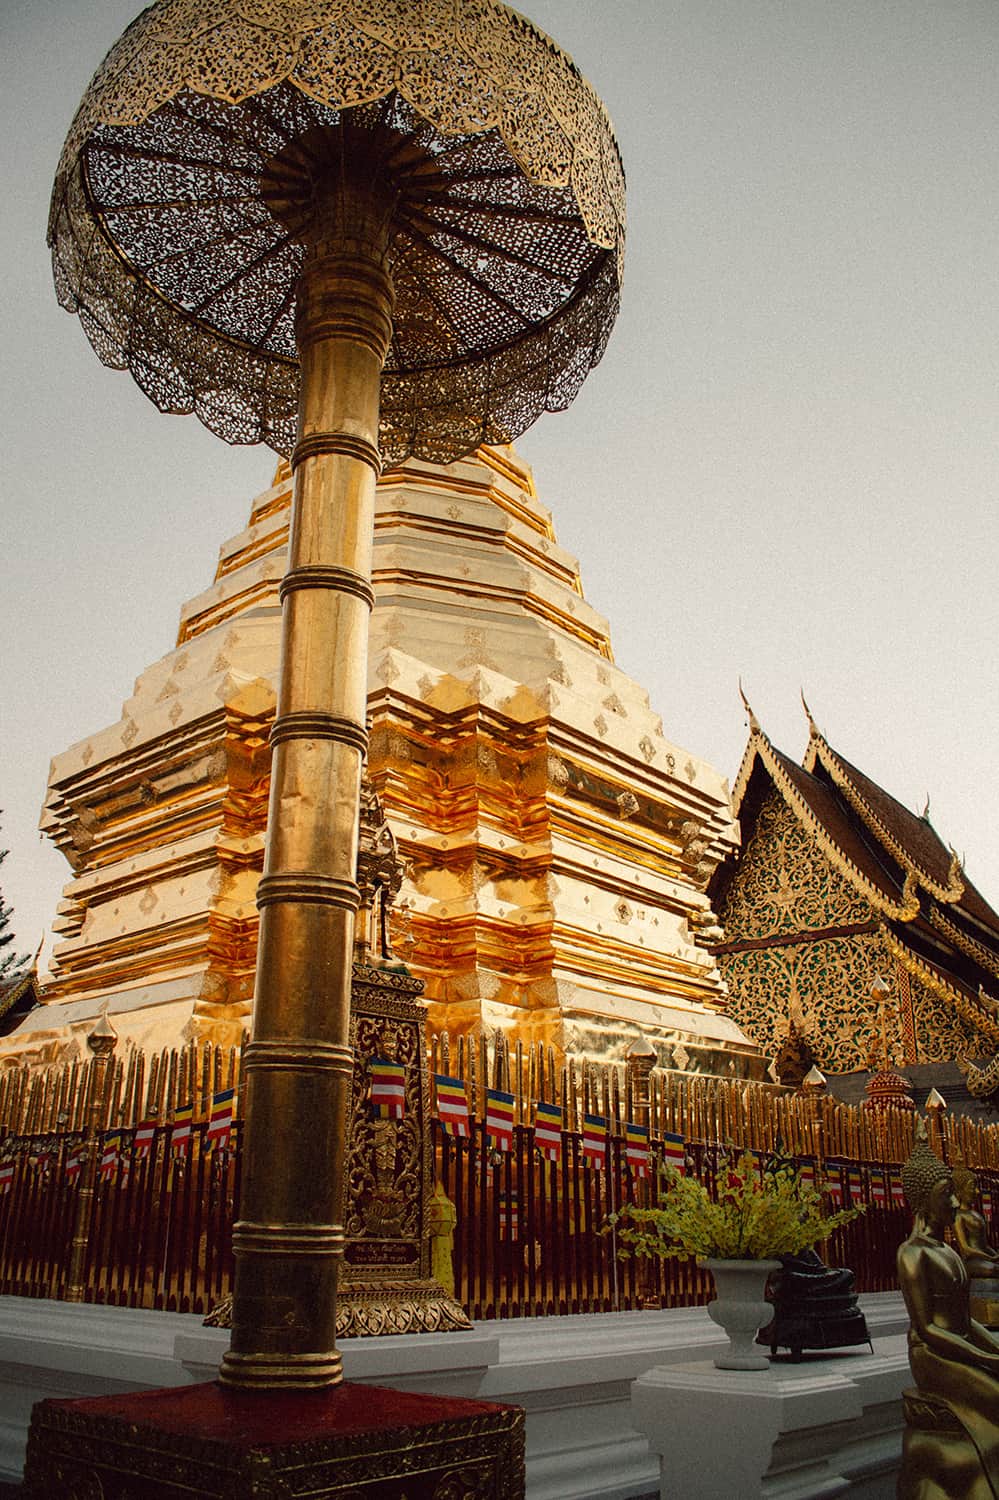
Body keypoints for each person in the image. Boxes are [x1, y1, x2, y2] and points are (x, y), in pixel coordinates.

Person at [897, 1121, 999, 1499]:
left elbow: (964, 1319)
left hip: (958, 1343)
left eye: (954, 1194)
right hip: (932, 1353)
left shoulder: (948, 1252)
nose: (955, 1204)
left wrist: (994, 1350)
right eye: (946, 1195)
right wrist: (983, 1359)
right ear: (924, 1201)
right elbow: (927, 1328)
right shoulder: (912, 1253)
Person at [953, 1164, 999, 1280]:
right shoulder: (958, 1216)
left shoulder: (976, 1214)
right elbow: (965, 1249)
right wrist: (990, 1258)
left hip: (985, 1258)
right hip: (971, 1262)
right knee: (994, 1269)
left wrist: (995, 1256)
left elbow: (984, 1245)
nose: (977, 1191)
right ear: (960, 1190)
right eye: (972, 1187)